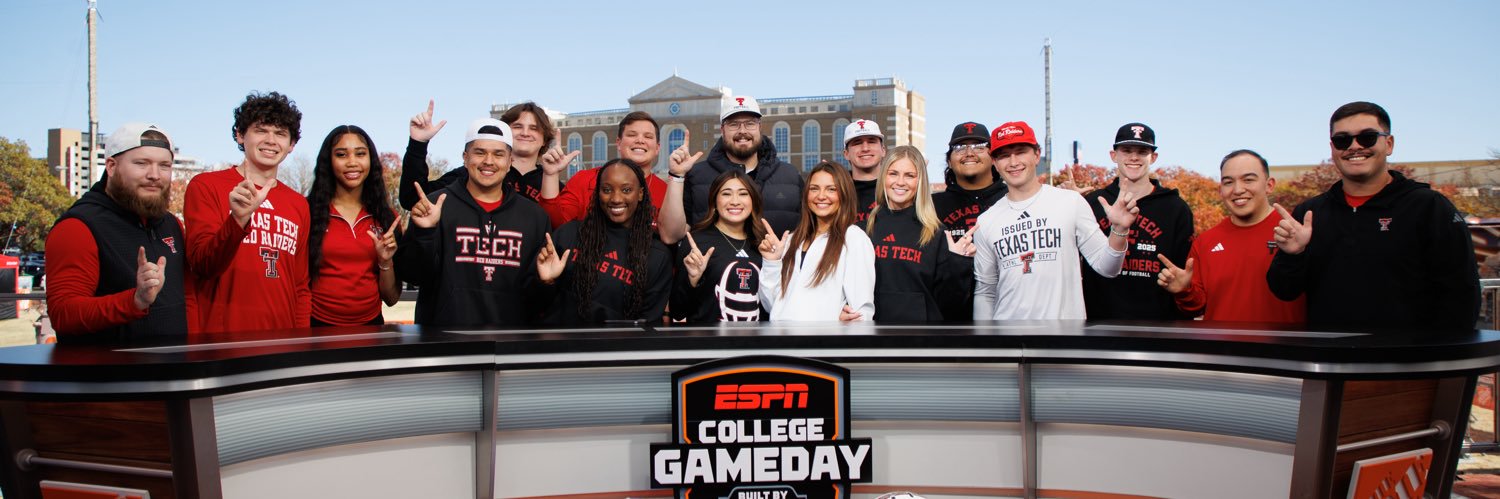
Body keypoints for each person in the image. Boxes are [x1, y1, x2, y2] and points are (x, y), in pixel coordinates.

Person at [1267, 101, 1479, 330]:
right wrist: (1293, 255)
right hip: (1333, 361)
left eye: (1367, 137)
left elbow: (1461, 294)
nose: (1354, 146)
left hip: (1409, 362)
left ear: (1389, 144)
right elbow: (1284, 291)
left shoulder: (1428, 207)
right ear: (1332, 148)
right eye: (1342, 140)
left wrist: (1442, 359)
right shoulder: (1310, 213)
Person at [395, 118, 553, 326]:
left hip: (509, 343)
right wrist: (425, 233)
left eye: (498, 154)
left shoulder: (534, 216)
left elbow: (537, 299)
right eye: (480, 152)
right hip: (444, 342)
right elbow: (412, 275)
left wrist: (546, 281)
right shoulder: (435, 206)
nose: (488, 161)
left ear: (509, 162)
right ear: (465, 157)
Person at [973, 121, 1135, 320]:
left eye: (1021, 151)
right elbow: (985, 291)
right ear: (994, 163)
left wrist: (1119, 229)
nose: (1013, 162)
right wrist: (986, 344)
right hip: (1008, 341)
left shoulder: (1070, 202)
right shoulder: (987, 221)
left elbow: (1108, 268)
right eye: (1004, 155)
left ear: (1036, 154)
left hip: (1063, 341)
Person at [46, 122, 186, 343]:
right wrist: (135, 300)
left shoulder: (171, 224)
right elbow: (63, 314)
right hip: (108, 375)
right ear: (111, 166)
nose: (155, 175)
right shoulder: (78, 226)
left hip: (173, 371)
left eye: (164, 165)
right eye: (142, 163)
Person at [184, 91, 310, 333]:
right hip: (223, 339)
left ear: (291, 145)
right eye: (261, 130)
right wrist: (237, 221)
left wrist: (300, 340)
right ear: (240, 135)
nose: (271, 140)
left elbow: (300, 286)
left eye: (281, 134)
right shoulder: (207, 186)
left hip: (281, 341)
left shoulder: (298, 203)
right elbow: (201, 265)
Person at [1157, 150, 1304, 323]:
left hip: (1283, 348)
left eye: (1248, 179)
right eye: (1228, 182)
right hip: (1221, 349)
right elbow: (1197, 307)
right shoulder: (1205, 242)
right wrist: (1184, 290)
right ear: (1220, 190)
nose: (1238, 189)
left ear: (1269, 185)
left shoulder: (1295, 235)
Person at [1081, 123, 1195, 320]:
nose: (1134, 157)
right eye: (1126, 150)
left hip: (1157, 328)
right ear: (1113, 155)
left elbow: (1184, 272)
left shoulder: (1176, 208)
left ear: (1154, 157)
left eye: (1142, 151)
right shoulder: (1094, 202)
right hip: (1100, 325)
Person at [538, 159, 673, 325]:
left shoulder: (656, 255)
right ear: (598, 193)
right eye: (607, 190)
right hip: (559, 347)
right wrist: (547, 282)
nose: (616, 198)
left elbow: (648, 324)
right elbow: (534, 304)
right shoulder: (569, 234)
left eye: (626, 190)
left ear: (640, 194)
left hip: (616, 349)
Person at [865, 146, 974, 322]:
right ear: (883, 176)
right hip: (873, 338)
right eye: (893, 173)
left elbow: (951, 305)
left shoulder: (935, 232)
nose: (900, 182)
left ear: (920, 181)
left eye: (910, 175)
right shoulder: (866, 228)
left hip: (921, 340)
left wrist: (958, 261)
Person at [305, 126, 400, 327]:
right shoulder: (307, 212)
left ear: (371, 160)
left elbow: (391, 299)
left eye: (360, 154)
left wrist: (385, 262)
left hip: (370, 328)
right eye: (341, 154)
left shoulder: (387, 218)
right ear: (328, 161)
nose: (352, 162)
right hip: (317, 327)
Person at [758, 161, 875, 321]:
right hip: (781, 342)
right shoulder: (793, 239)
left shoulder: (854, 239)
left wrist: (838, 324)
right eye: (814, 188)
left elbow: (861, 314)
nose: (821, 196)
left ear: (844, 193)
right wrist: (771, 263)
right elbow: (773, 305)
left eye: (831, 189)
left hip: (822, 344)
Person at [399, 100, 559, 208]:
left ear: (545, 138)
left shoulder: (555, 185)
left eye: (534, 128)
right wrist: (418, 144)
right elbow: (412, 198)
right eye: (517, 126)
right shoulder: (475, 173)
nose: (525, 133)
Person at [683, 95, 804, 235]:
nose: (742, 131)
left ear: (759, 127)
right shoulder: (696, 176)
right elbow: (675, 234)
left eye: (750, 123)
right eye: (734, 124)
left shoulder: (790, 175)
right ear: (722, 130)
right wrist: (676, 176)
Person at [537, 111, 676, 233]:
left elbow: (671, 238)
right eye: (632, 135)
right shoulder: (584, 179)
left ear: (657, 148)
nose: (640, 140)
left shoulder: (666, 193)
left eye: (648, 136)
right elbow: (556, 224)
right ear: (618, 143)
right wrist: (550, 175)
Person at [930, 121, 1007, 320]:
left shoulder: (1012, 199)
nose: (969, 152)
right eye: (959, 147)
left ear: (993, 158)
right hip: (949, 315)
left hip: (1008, 312)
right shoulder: (930, 206)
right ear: (949, 160)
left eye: (979, 146)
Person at [671, 171, 767, 322]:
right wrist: (692, 280)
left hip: (753, 343)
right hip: (710, 343)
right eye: (726, 194)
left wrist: (775, 262)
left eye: (743, 194)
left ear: (753, 200)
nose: (735, 201)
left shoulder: (764, 244)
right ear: (714, 201)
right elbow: (677, 311)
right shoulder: (696, 243)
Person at [843, 119, 886, 223]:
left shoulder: (898, 187)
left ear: (883, 150)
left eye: (871, 141)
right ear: (846, 154)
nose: (865, 148)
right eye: (857, 143)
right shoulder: (838, 190)